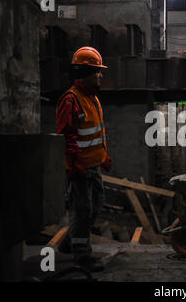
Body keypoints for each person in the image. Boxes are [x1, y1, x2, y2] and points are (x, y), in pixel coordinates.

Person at [55, 47, 112, 272]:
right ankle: (82, 255)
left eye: (100, 71)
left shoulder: (92, 100)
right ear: (84, 72)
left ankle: (70, 242)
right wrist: (74, 163)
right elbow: (66, 136)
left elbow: (96, 133)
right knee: (81, 210)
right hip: (79, 169)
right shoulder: (71, 100)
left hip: (93, 166)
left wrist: (103, 156)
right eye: (96, 71)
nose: (100, 75)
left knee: (96, 206)